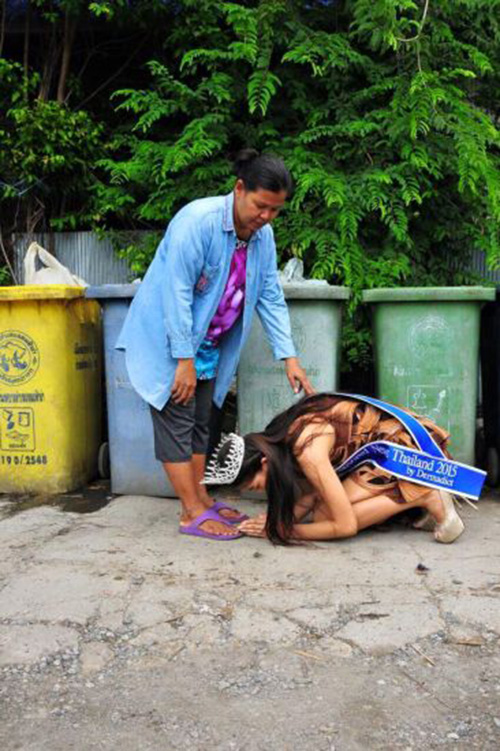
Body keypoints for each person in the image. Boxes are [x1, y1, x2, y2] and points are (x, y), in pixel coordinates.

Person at [116, 149, 313, 540]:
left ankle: (202, 498)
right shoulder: (197, 222)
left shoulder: (263, 236)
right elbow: (177, 294)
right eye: (261, 206)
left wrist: (288, 356)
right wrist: (183, 359)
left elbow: (270, 295)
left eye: (275, 210)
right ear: (240, 189)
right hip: (171, 343)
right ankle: (190, 512)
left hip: (211, 347)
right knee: (177, 420)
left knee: (203, 424)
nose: (267, 217)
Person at [202, 392, 480, 545]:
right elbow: (311, 494)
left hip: (411, 454)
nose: (259, 490)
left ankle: (423, 494)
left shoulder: (307, 450)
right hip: (389, 452)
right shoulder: (283, 434)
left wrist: (285, 531)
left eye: (255, 484)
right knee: (324, 512)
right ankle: (417, 504)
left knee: (328, 519)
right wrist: (280, 519)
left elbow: (344, 526)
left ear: (264, 462)